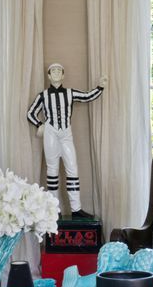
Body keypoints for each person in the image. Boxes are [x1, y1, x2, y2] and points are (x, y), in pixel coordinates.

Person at [26, 62, 103, 216]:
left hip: (66, 134)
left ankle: (76, 209)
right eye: (53, 71)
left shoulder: (70, 93)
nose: (56, 72)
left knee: (72, 168)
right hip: (50, 134)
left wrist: (100, 87)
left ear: (63, 75)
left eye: (59, 70)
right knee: (52, 170)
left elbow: (87, 96)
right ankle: (54, 210)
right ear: (48, 76)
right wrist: (40, 125)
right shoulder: (43, 95)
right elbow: (30, 113)